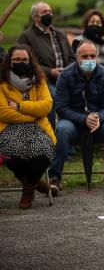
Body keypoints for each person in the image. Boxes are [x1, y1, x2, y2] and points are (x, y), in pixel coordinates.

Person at [49, 41, 104, 196]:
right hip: (72, 123)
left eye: (92, 56)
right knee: (62, 129)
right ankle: (54, 178)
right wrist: (83, 119)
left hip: (98, 123)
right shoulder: (65, 75)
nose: (89, 59)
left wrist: (98, 117)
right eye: (84, 56)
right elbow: (61, 107)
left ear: (97, 56)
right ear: (77, 57)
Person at [0, 45, 55, 209]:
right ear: (9, 62)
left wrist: (19, 106)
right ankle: (34, 185)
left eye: (24, 59)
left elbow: (46, 106)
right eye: (16, 59)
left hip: (39, 128)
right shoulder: (1, 83)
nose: (20, 62)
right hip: (9, 128)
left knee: (43, 154)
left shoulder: (39, 82)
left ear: (30, 62)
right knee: (10, 154)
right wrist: (33, 114)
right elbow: (3, 112)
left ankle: (28, 186)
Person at [17, 1, 74, 128]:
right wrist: (50, 72)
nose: (48, 14)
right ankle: (50, 136)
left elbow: (71, 57)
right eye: (44, 12)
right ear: (35, 17)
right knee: (54, 97)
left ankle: (68, 136)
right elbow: (26, 63)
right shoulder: (26, 37)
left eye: (50, 12)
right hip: (43, 81)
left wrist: (67, 71)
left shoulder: (60, 33)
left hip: (65, 78)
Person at [71, 9, 104, 125]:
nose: (95, 24)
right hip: (85, 81)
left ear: (102, 25)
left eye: (98, 22)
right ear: (86, 23)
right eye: (92, 21)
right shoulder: (78, 41)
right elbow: (73, 67)